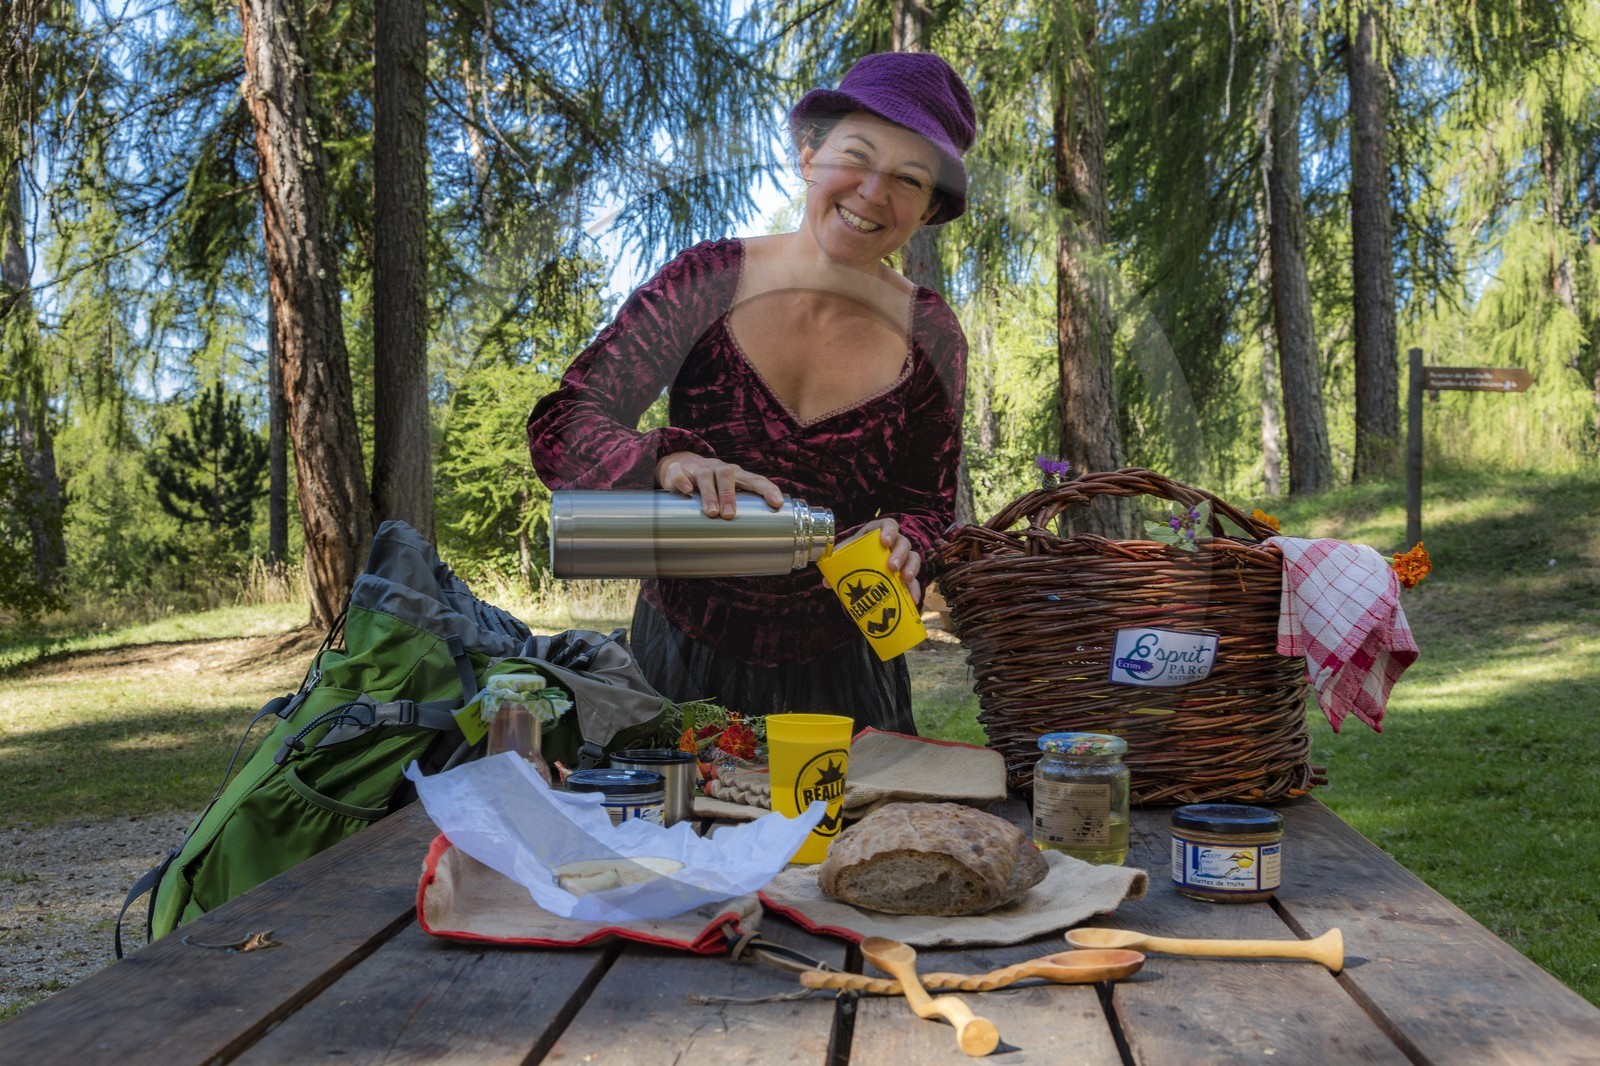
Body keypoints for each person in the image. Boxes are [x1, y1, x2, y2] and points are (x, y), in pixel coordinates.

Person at [527, 52, 974, 734]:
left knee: (853, 845)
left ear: (928, 208)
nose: (872, 191)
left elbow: (926, 504)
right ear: (809, 155)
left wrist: (908, 538)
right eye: (856, 154)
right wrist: (665, 461)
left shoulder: (931, 335)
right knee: (663, 835)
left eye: (908, 178)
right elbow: (564, 421)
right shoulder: (704, 279)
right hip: (679, 657)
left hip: (849, 673)